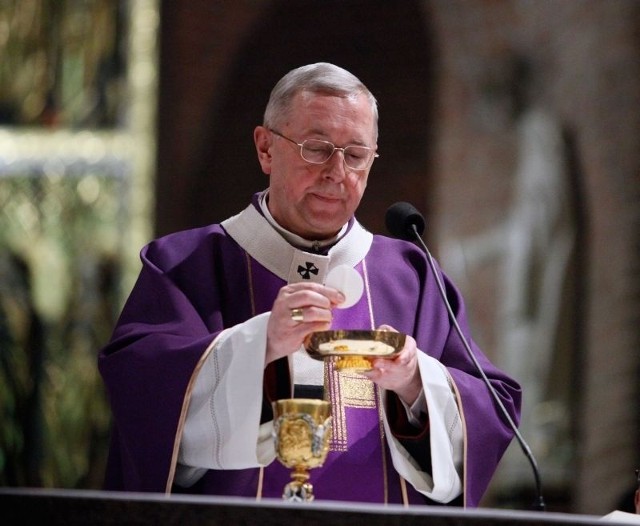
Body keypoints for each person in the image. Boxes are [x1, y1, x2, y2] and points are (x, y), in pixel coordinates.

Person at [98, 62, 521, 507]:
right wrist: (260, 343)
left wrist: (416, 382)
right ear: (265, 149)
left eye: (356, 155)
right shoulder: (186, 266)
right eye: (317, 149)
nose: (337, 172)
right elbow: (142, 395)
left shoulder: (412, 280)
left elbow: (488, 411)